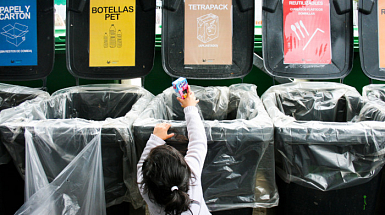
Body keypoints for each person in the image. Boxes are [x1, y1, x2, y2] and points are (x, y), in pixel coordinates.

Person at [137, 86, 211, 215]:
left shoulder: (145, 188)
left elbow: (141, 165)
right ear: (184, 167)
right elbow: (199, 142)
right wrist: (190, 108)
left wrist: (155, 139)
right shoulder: (192, 176)